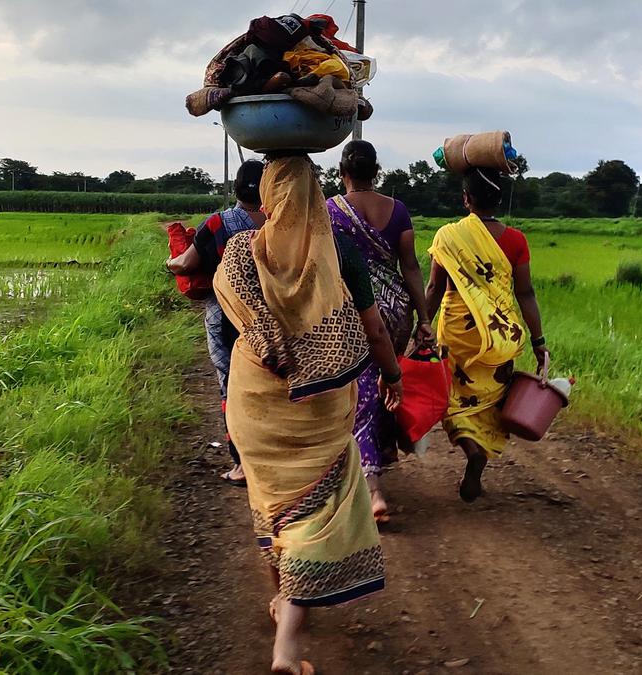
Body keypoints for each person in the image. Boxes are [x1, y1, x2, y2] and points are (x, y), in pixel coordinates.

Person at [213, 155, 403, 675]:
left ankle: (281, 601)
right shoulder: (339, 250)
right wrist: (392, 376)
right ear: (316, 195)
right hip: (317, 408)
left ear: (270, 196)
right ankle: (287, 648)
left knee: (272, 501)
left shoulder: (238, 252)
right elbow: (376, 329)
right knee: (313, 512)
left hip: (254, 404)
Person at [425, 166, 550, 502]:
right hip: (498, 334)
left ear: (466, 199)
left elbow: (436, 286)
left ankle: (469, 446)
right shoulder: (516, 241)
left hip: (457, 334)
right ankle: (480, 453)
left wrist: (420, 326)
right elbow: (525, 293)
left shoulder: (448, 236)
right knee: (492, 399)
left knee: (453, 399)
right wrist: (538, 341)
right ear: (499, 200)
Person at [326, 140, 434, 522]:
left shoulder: (331, 211)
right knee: (388, 381)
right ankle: (382, 453)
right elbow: (411, 267)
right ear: (377, 172)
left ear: (343, 173)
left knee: (362, 388)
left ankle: (372, 488)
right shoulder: (398, 211)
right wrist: (423, 319)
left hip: (354, 311)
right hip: (397, 312)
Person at [167, 160, 266, 487]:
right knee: (270, 383)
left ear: (236, 188)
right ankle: (272, 456)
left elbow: (185, 264)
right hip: (271, 318)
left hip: (226, 317)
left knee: (231, 385)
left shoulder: (218, 223)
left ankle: (241, 463)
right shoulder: (278, 223)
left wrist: (171, 262)